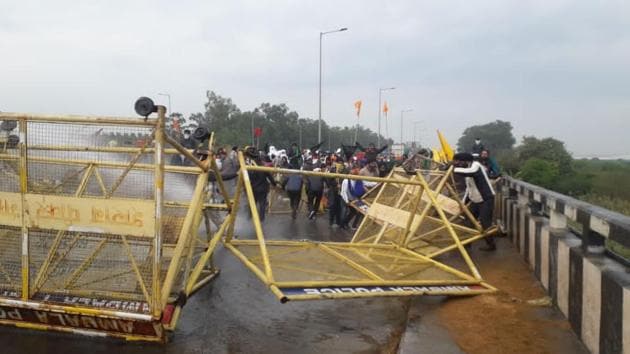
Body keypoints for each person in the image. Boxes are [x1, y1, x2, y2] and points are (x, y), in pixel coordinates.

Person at [452, 152, 496, 251]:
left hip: (486, 199)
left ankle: (491, 245)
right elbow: (469, 188)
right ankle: (467, 244)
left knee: (485, 223)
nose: (458, 164)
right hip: (475, 200)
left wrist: (453, 169)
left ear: (465, 161)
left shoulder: (476, 166)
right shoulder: (467, 169)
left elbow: (471, 172)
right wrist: (463, 203)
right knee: (468, 221)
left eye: (458, 162)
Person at [244, 147, 277, 222]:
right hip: (262, 188)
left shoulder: (249, 167)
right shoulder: (262, 166)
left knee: (252, 204)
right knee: (262, 205)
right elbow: (269, 176)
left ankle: (249, 219)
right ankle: (261, 220)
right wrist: (274, 184)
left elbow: (247, 178)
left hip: (253, 188)